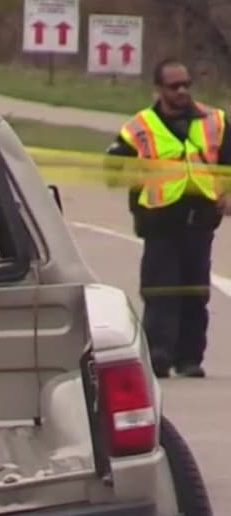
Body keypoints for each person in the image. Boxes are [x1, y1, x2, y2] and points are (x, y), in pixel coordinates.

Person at [105, 57, 231, 378]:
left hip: (199, 219)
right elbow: (112, 168)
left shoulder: (214, 120)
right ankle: (159, 354)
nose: (182, 91)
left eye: (186, 84)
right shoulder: (140, 126)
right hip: (159, 221)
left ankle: (190, 359)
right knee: (160, 291)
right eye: (174, 86)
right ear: (159, 89)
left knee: (194, 291)